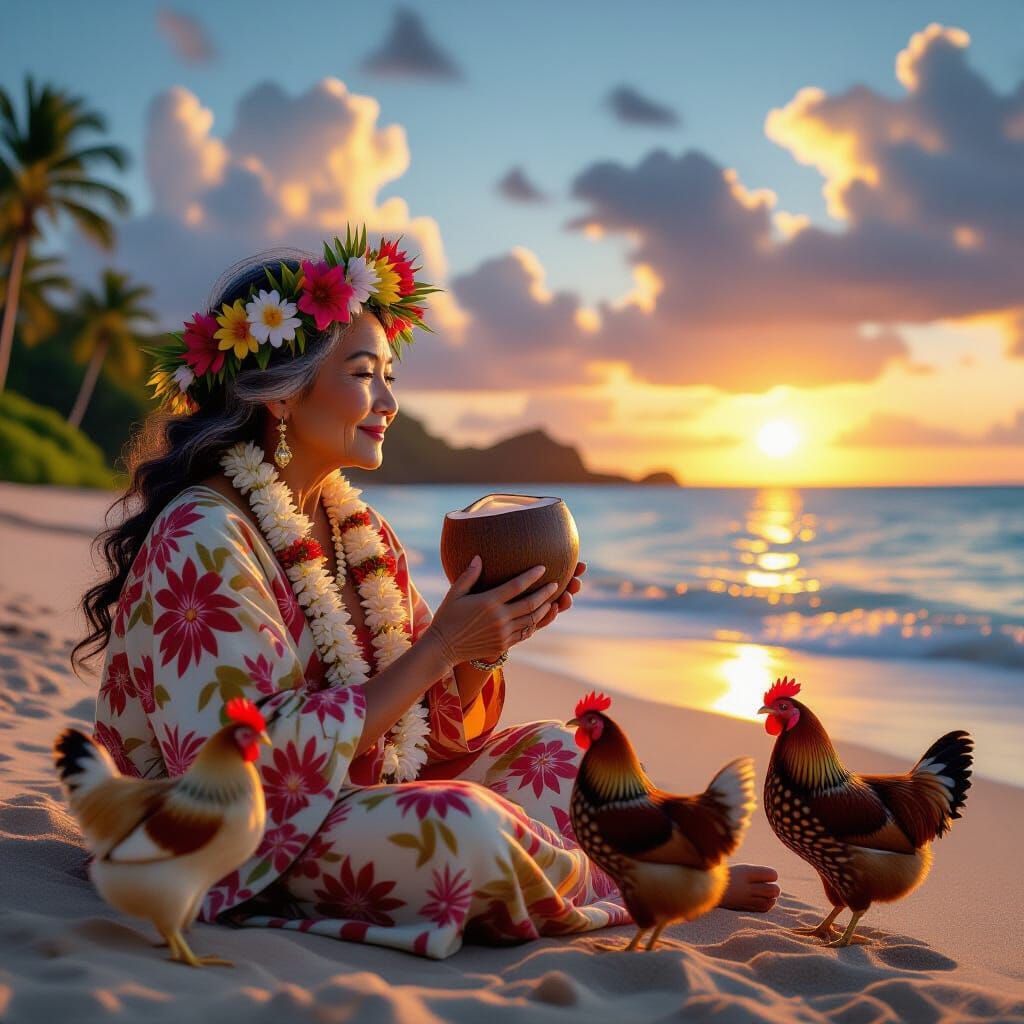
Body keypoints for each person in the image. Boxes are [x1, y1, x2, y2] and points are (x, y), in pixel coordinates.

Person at [76, 233, 779, 959]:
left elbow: (429, 739)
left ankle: (624, 872)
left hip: (355, 797)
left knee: (558, 757)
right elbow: (241, 767)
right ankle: (645, 884)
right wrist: (441, 646)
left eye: (389, 375)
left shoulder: (359, 530)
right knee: (461, 826)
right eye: (363, 375)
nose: (388, 402)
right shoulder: (202, 532)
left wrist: (484, 646)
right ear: (283, 393)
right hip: (234, 835)